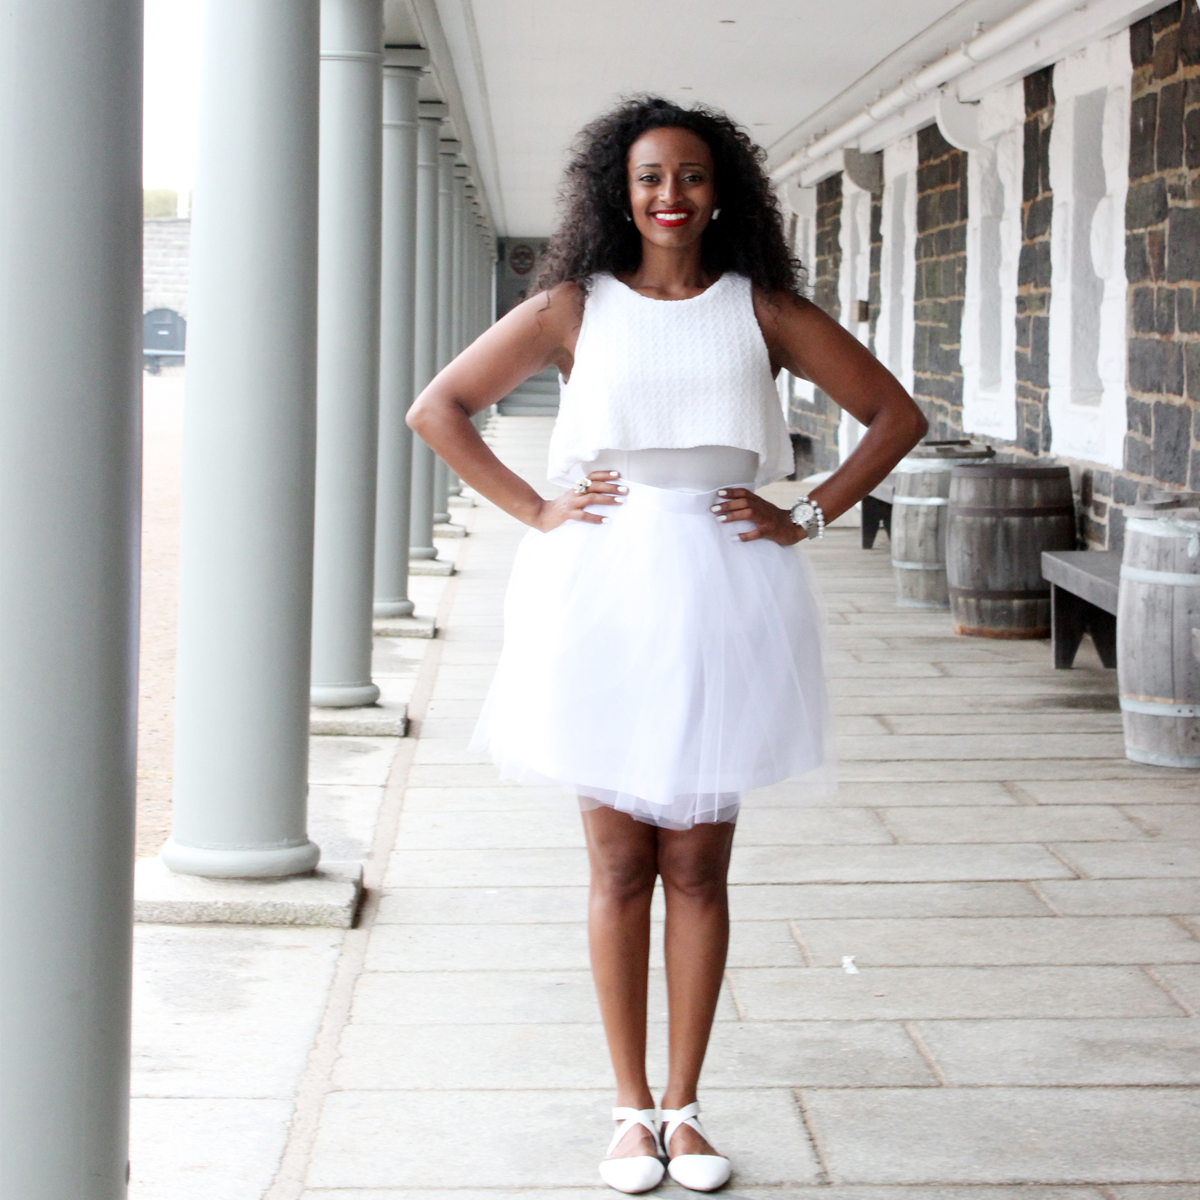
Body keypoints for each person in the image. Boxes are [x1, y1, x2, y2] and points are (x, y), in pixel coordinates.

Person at [408, 96, 927, 1194]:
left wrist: (809, 513)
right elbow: (440, 408)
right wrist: (538, 509)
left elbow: (894, 414)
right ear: (620, 192)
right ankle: (625, 1111)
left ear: (720, 189)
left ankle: (686, 1111)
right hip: (602, 581)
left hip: (727, 582)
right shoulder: (570, 307)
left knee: (695, 861)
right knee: (615, 862)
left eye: (690, 176)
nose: (671, 196)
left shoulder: (764, 308)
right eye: (650, 178)